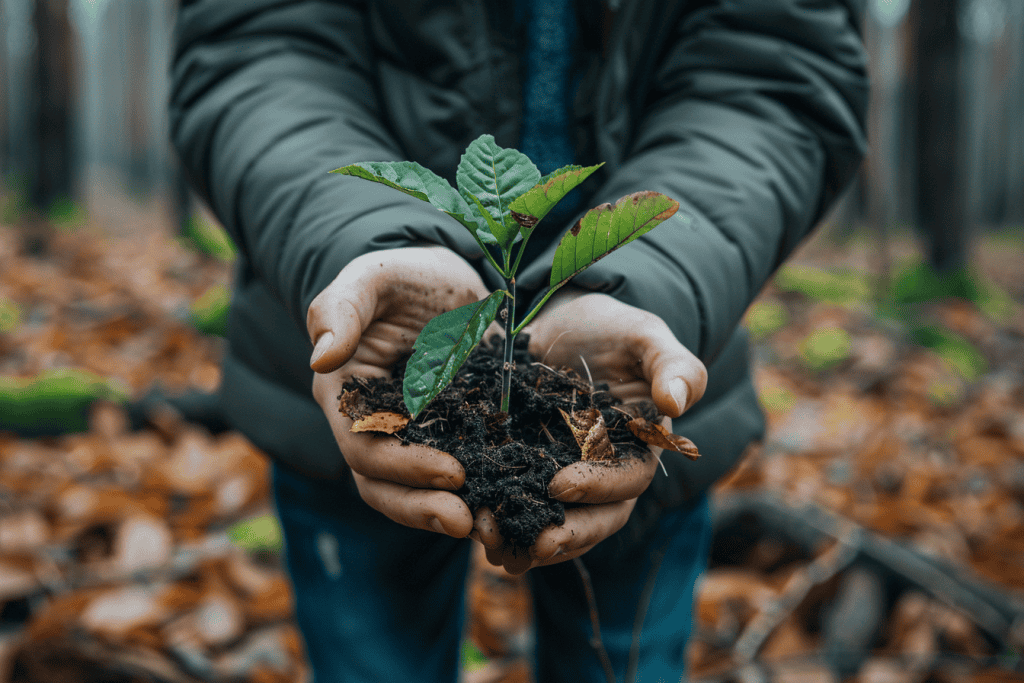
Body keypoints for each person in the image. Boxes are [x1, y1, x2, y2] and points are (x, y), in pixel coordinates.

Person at [170, 1, 868, 681]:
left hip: (634, 354)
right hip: (357, 357)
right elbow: (256, 47)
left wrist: (649, 279)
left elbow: (773, 75)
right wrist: (368, 239)